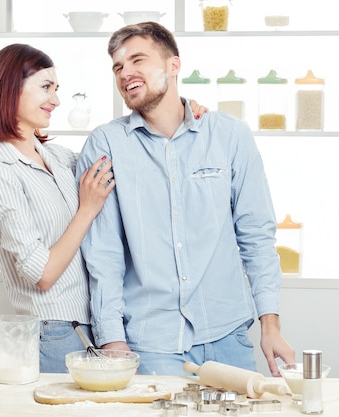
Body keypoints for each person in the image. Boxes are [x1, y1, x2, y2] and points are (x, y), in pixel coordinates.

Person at [75, 22, 295, 377]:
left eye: (137, 60)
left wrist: (270, 327)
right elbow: (103, 253)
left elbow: (256, 236)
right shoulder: (105, 145)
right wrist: (111, 339)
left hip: (227, 336)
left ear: (173, 65)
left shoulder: (229, 135)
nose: (125, 72)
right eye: (118, 67)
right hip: (151, 345)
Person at [0, 44, 115, 373]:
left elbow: (116, 162)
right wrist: (86, 210)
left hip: (90, 327)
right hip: (54, 333)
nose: (55, 100)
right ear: (10, 90)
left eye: (56, 89)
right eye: (45, 87)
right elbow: (42, 273)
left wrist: (180, 110)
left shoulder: (57, 157)